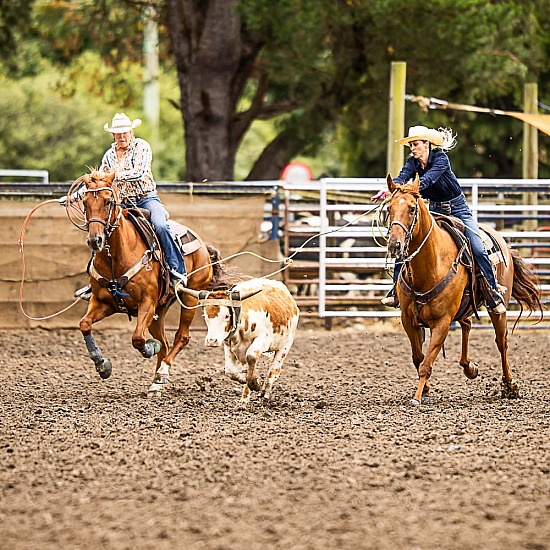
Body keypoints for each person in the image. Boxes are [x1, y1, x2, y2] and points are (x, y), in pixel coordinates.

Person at [371, 125, 506, 315]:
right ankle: (396, 290)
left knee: (477, 246)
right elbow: (401, 178)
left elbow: (428, 180)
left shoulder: (441, 159)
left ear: (427, 144)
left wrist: (410, 187)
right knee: (406, 244)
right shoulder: (412, 163)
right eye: (411, 145)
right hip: (434, 208)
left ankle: (492, 292)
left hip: (457, 209)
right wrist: (389, 189)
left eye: (415, 144)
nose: (412, 148)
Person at [69, 113, 188, 301]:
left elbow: (139, 172)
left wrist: (113, 176)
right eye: (118, 133)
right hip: (121, 201)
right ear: (113, 135)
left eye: (125, 132)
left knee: (160, 225)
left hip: (145, 198)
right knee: (98, 227)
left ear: (131, 132)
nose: (122, 136)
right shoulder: (108, 156)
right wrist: (73, 196)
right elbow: (99, 183)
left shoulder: (142, 147)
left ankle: (177, 271)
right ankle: (95, 280)